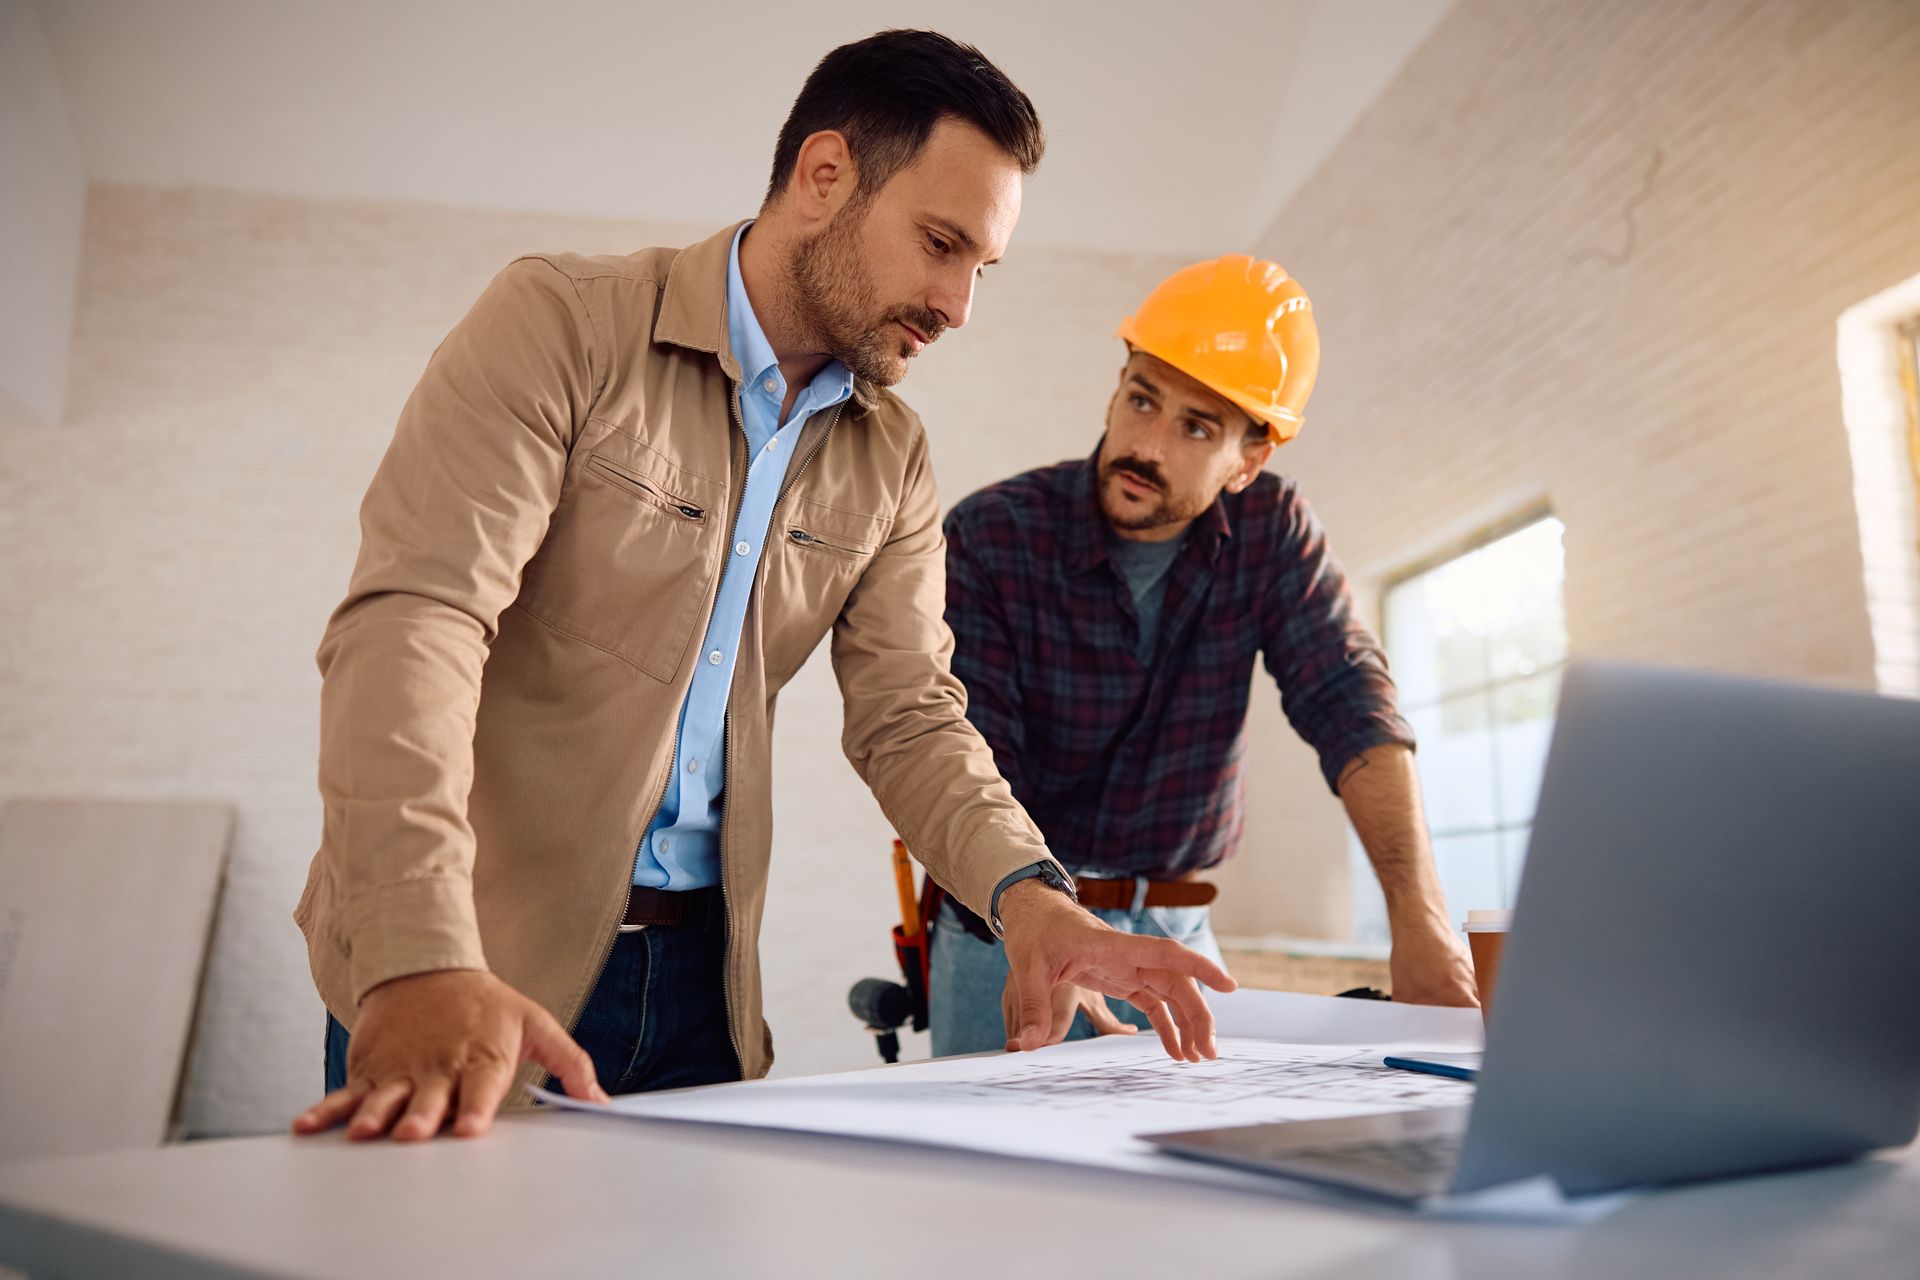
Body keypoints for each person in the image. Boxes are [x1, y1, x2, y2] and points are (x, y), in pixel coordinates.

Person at [291, 29, 1234, 1144]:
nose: (958, 304)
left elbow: (910, 715)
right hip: (473, 956)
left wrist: (1031, 898)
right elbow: (417, 624)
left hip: (704, 997)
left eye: (980, 267)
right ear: (824, 176)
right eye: (940, 244)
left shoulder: (895, 457)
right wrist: (417, 952)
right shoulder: (562, 323)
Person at [930, 255, 1476, 1055]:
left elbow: (1350, 705)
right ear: (1117, 385)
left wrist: (1421, 925)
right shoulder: (991, 534)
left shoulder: (1272, 532)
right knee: (990, 1177)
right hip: (1010, 922)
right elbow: (976, 761)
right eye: (1142, 400)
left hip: (1175, 925)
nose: (1146, 445)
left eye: (1196, 427)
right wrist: (1056, 922)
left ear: (1249, 462)